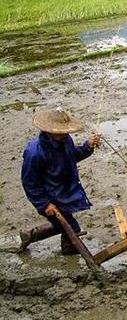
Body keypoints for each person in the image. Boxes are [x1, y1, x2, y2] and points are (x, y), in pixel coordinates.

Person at [20, 107, 101, 254]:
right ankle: (70, 258)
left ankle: (30, 235)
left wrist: (87, 147)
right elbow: (30, 183)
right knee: (72, 229)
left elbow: (72, 156)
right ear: (49, 130)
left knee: (62, 225)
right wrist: (45, 204)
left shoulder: (65, 140)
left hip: (63, 192)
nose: (66, 134)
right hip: (51, 197)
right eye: (61, 131)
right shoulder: (35, 153)